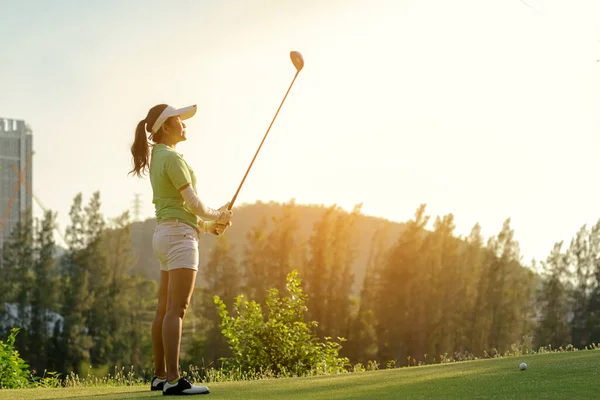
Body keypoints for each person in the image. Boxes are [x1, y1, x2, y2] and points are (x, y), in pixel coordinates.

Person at [129, 103, 232, 395]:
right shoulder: (171, 159)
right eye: (179, 120)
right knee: (177, 310)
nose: (185, 124)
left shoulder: (159, 156)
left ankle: (160, 376)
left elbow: (178, 209)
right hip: (178, 238)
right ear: (165, 127)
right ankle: (174, 381)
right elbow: (193, 203)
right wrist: (217, 215)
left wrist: (208, 226)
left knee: (164, 310)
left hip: (165, 233)